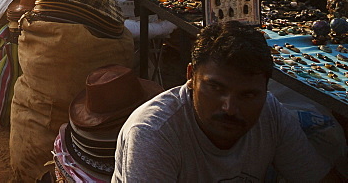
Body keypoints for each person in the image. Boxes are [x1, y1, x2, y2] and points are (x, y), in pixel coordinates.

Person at [113, 21, 333, 182]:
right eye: (216, 88)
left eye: (247, 95)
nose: (229, 108)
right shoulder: (153, 132)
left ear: (265, 90)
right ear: (190, 77)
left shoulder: (271, 114)